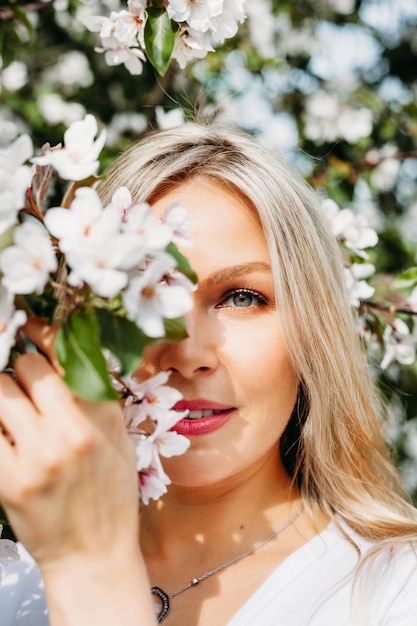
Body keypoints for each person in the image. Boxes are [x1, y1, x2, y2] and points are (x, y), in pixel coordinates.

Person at [0, 123, 416, 626]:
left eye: (242, 297)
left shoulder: (393, 593)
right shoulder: (12, 582)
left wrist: (90, 569)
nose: (188, 352)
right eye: (142, 290)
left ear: (313, 327)